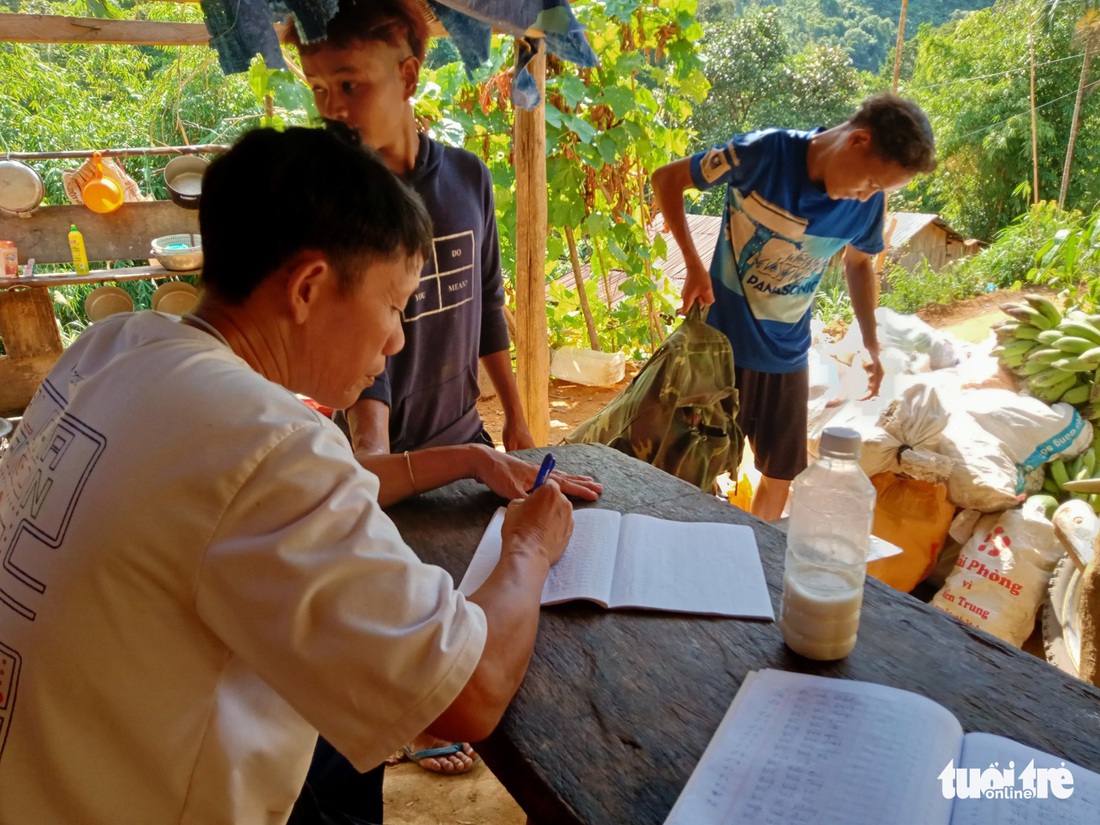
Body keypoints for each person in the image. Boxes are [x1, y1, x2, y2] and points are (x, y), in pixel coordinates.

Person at [0, 127, 597, 825]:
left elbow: (255, 498)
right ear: (311, 286)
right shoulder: (267, 441)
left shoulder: (113, 348)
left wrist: (467, 456)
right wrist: (529, 548)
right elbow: (468, 694)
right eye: (395, 304)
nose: (398, 339)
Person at [287, 0, 536, 774]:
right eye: (318, 88)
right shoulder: (336, 202)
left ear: (408, 75)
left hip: (462, 433)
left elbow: (487, 305)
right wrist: (373, 448)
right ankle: (415, 716)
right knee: (404, 642)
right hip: (386, 453)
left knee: (488, 604)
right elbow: (362, 355)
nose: (331, 107)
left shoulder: (466, 178)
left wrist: (520, 420)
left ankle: (439, 707)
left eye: (349, 85)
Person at [651, 93, 937, 521]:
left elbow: (859, 264)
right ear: (857, 141)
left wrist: (871, 344)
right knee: (689, 463)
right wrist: (693, 265)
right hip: (717, 349)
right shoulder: (763, 153)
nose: (866, 198)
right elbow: (667, 178)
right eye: (871, 184)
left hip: (786, 356)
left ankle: (752, 551)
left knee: (780, 473)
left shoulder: (866, 208)